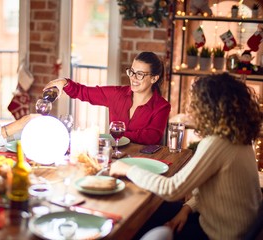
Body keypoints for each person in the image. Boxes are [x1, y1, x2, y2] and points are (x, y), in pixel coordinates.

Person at [110, 73, 262, 240]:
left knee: (143, 224)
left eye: (196, 103)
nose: (192, 108)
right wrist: (186, 209)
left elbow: (171, 189)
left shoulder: (217, 143)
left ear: (210, 108)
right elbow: (215, 188)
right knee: (164, 210)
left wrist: (127, 168)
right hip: (232, 226)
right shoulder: (239, 138)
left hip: (221, 234)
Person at [44, 52, 171, 145]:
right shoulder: (116, 94)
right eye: (132, 72)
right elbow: (83, 92)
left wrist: (116, 134)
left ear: (154, 78)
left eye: (140, 74)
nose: (133, 78)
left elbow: (151, 137)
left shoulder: (162, 106)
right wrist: (64, 82)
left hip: (144, 162)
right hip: (114, 157)